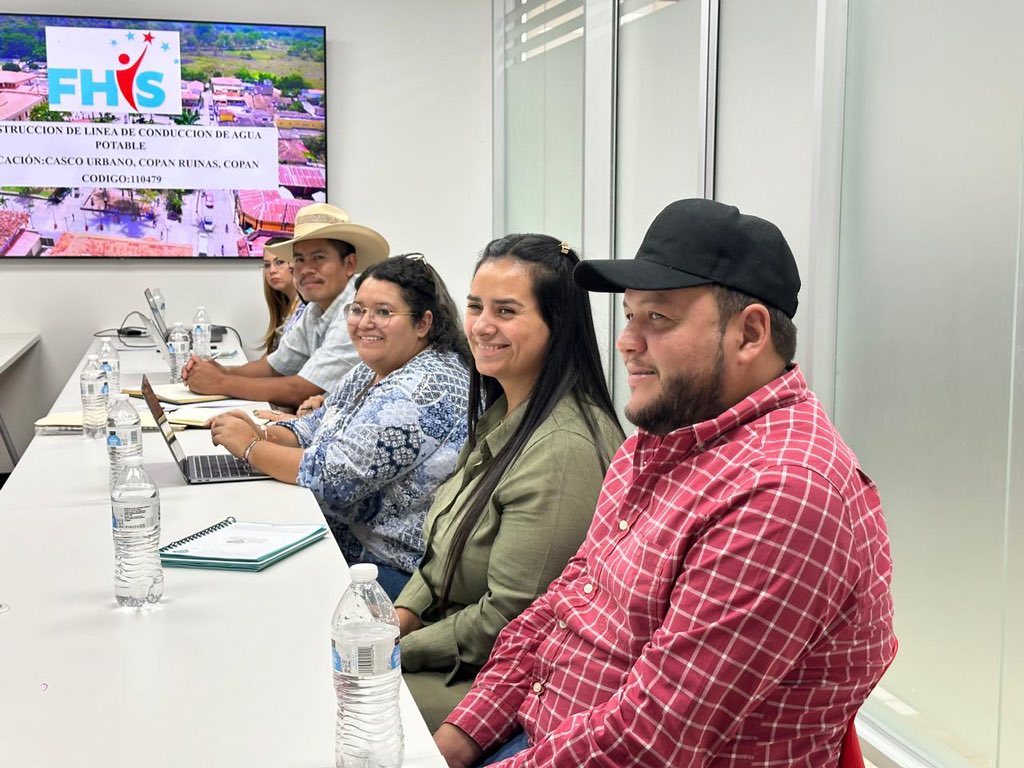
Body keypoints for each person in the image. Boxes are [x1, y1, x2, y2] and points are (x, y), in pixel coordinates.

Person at [435, 199, 896, 767]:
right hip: (543, 737)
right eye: (629, 316)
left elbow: (651, 741)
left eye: (658, 318)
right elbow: (563, 604)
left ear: (749, 333)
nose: (627, 341)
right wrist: (461, 737)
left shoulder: (783, 492)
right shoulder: (658, 441)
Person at [394, 235, 625, 733]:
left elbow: (510, 620)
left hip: (503, 679)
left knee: (335, 704)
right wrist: (399, 615)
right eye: (475, 306)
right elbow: (442, 550)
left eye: (506, 311)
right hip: (453, 643)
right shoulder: (505, 412)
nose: (480, 326)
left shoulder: (562, 448)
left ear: (556, 326)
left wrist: (397, 649)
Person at [207, 255, 471, 599]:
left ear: (423, 324)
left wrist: (251, 448)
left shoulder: (425, 387)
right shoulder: (377, 365)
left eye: (383, 312)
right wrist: (260, 431)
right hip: (350, 545)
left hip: (395, 570)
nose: (365, 323)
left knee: (248, 593)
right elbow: (314, 426)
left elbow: (333, 479)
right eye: (358, 310)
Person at [183, 203, 388, 409]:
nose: (306, 269)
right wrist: (217, 370)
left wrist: (220, 382)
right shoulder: (315, 309)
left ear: (349, 265)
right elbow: (274, 367)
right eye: (299, 259)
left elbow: (302, 390)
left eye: (318, 258)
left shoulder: (356, 311)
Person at [260, 239, 305, 355]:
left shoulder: (306, 308)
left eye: (279, 262)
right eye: (267, 265)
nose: (272, 270)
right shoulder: (284, 304)